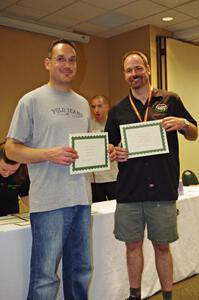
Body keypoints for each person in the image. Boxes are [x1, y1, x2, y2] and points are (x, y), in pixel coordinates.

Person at [5, 39, 114, 300]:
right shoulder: (30, 100)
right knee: (45, 278)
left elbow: (85, 148)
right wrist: (47, 154)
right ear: (48, 63)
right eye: (61, 58)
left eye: (72, 59)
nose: (67, 64)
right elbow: (11, 149)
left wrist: (103, 151)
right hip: (48, 203)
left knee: (80, 272)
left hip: (81, 199)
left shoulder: (82, 104)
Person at [105, 50, 198, 300]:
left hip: (162, 188)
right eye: (128, 70)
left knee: (162, 246)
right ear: (124, 75)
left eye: (138, 68)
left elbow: (194, 133)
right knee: (132, 246)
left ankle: (167, 296)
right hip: (129, 190)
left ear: (148, 69)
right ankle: (135, 295)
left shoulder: (171, 100)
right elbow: (108, 147)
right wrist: (113, 152)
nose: (134, 74)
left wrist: (183, 124)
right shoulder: (117, 110)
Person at [90, 95, 118, 202]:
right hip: (94, 179)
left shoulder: (115, 124)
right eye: (93, 107)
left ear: (107, 107)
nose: (96, 110)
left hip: (113, 176)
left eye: (99, 106)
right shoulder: (88, 125)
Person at [0, 141, 29, 216]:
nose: (7, 174)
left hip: (11, 218)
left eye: (13, 171)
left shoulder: (22, 172)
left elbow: (25, 195)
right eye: (3, 169)